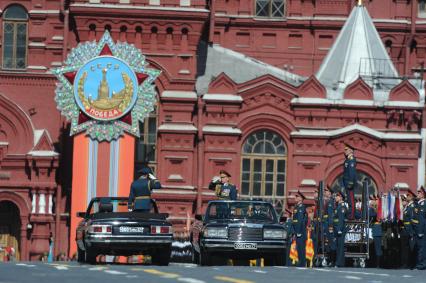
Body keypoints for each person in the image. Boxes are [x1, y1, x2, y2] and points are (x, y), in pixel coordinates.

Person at [291, 190, 307, 267]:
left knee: (301, 248)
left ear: (300, 198)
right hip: (297, 230)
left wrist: (299, 231)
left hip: (300, 231)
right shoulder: (296, 207)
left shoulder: (301, 207)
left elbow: (300, 220)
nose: (295, 198)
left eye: (297, 196)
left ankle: (302, 263)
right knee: (299, 248)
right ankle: (301, 262)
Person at [401, 190, 416, 269]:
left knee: (409, 248)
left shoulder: (410, 208)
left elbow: (411, 220)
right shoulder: (405, 209)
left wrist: (411, 231)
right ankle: (404, 263)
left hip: (408, 230)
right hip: (404, 230)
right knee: (404, 248)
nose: (403, 202)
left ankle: (408, 263)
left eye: (404, 200)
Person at [343, 143, 357, 220]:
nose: (345, 151)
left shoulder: (351, 160)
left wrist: (351, 182)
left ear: (351, 151)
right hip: (347, 183)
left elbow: (351, 172)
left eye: (346, 149)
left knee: (351, 200)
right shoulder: (348, 160)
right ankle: (350, 214)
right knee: (349, 199)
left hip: (349, 183)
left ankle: (351, 215)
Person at [413, 186, 426, 270]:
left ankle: (422, 264)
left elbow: (422, 219)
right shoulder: (418, 204)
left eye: (419, 192)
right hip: (417, 229)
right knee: (419, 247)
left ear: (423, 194)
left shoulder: (423, 204)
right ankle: (419, 263)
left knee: (422, 247)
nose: (417, 194)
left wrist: (420, 230)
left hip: (422, 229)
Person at [333, 190, 347, 267]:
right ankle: (340, 262)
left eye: (337, 196)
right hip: (337, 228)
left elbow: (341, 219)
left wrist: (339, 229)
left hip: (340, 229)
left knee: (340, 247)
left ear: (341, 197)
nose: (335, 197)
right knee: (338, 246)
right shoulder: (338, 206)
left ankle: (339, 263)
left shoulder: (342, 207)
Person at [368, 194, 383, 268]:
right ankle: (372, 262)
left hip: (377, 230)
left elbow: (373, 215)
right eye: (374, 199)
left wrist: (372, 208)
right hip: (373, 229)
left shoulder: (380, 209)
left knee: (378, 248)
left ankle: (378, 264)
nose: (374, 201)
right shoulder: (373, 208)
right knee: (371, 247)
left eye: (376, 199)